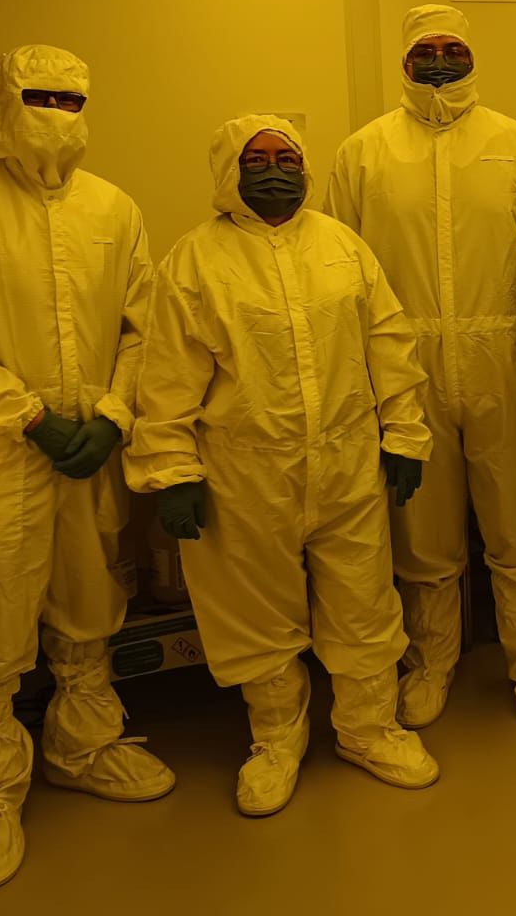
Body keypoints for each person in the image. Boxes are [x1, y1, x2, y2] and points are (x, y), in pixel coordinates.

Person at [0, 44, 172, 893]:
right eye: (38, 97)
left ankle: (82, 745)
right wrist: (31, 419)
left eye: (70, 98)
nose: (54, 113)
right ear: (3, 102)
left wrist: (115, 416)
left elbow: (145, 328)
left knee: (89, 600)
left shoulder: (115, 209)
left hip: (91, 445)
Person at [126, 115, 438, 817]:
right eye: (257, 159)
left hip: (348, 462)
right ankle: (275, 740)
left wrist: (404, 435)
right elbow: (167, 377)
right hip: (243, 475)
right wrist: (171, 471)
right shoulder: (195, 260)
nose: (274, 170)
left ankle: (368, 729)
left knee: (363, 600)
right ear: (227, 171)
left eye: (287, 158)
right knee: (257, 612)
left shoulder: (342, 246)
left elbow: (389, 343)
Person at [325, 4, 516, 731]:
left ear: (472, 57)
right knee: (422, 531)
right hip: (406, 368)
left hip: (504, 362)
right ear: (403, 62)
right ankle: (431, 662)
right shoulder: (363, 153)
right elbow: (336, 272)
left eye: (452, 48)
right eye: (425, 50)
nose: (439, 61)